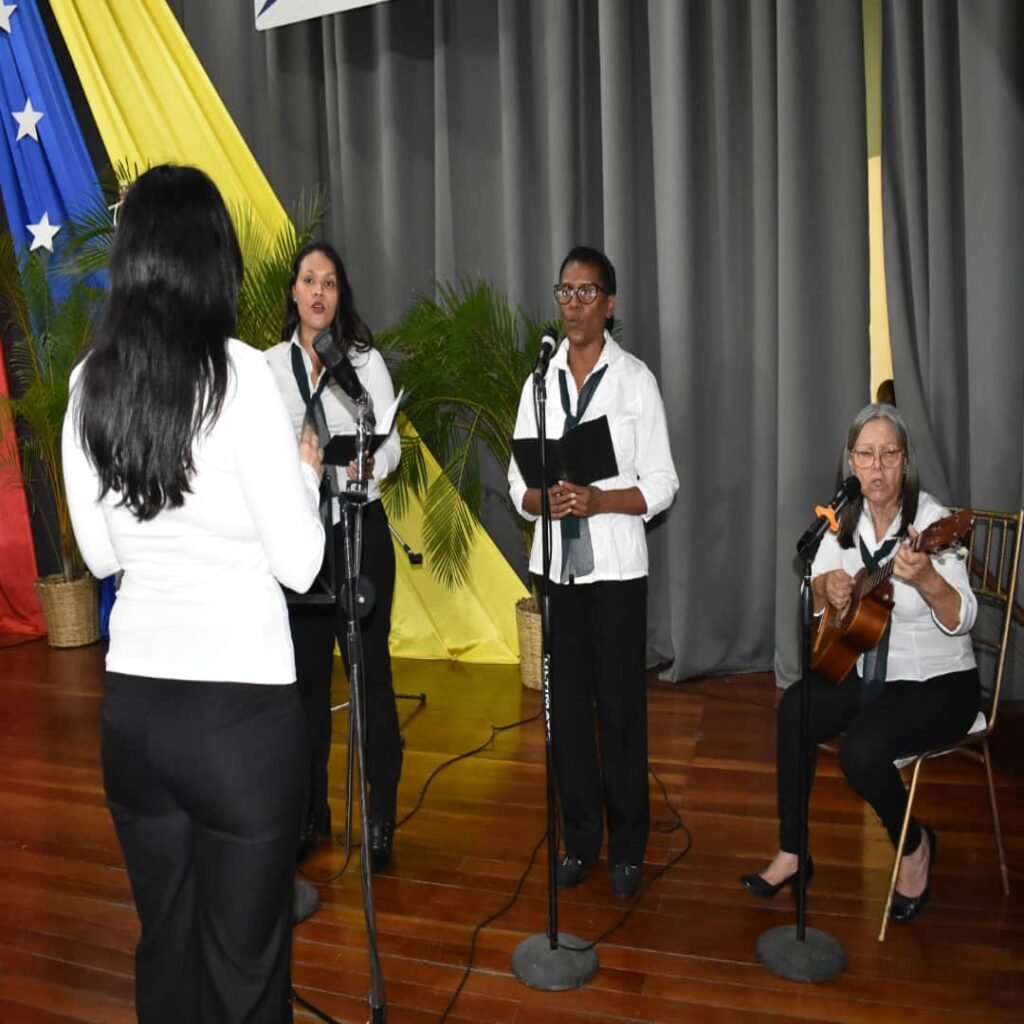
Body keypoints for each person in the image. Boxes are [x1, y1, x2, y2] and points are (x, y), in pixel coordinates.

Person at [62, 165, 326, 1023]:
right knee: (245, 975)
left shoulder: (87, 383)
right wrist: (308, 474)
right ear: (214, 258)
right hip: (239, 721)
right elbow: (301, 564)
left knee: (167, 955)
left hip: (135, 716)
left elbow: (100, 554)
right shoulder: (242, 376)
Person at [741, 403, 979, 924]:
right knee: (795, 709)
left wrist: (929, 580)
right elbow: (820, 602)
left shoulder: (932, 523)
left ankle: (914, 845)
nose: (878, 467)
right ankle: (793, 850)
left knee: (861, 751)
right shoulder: (843, 519)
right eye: (866, 455)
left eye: (889, 454)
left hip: (938, 681)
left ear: (906, 461)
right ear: (851, 462)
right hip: (869, 671)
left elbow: (964, 617)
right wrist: (826, 589)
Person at [507, 245, 679, 898]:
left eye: (587, 293)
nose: (573, 304)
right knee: (567, 714)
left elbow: (663, 482)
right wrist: (541, 500)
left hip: (615, 572)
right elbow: (516, 480)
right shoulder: (539, 383)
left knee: (621, 710)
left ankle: (628, 845)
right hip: (557, 569)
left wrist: (601, 500)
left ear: (609, 305)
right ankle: (579, 839)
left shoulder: (635, 382)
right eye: (565, 292)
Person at [266, 241, 403, 871]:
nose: (318, 291)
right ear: (293, 292)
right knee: (305, 683)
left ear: (339, 295)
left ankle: (380, 813)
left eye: (329, 282)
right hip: (300, 538)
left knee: (369, 676)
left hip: (359, 528)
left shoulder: (364, 363)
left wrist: (374, 461)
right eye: (309, 280)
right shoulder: (267, 368)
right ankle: (308, 811)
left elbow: (392, 444)